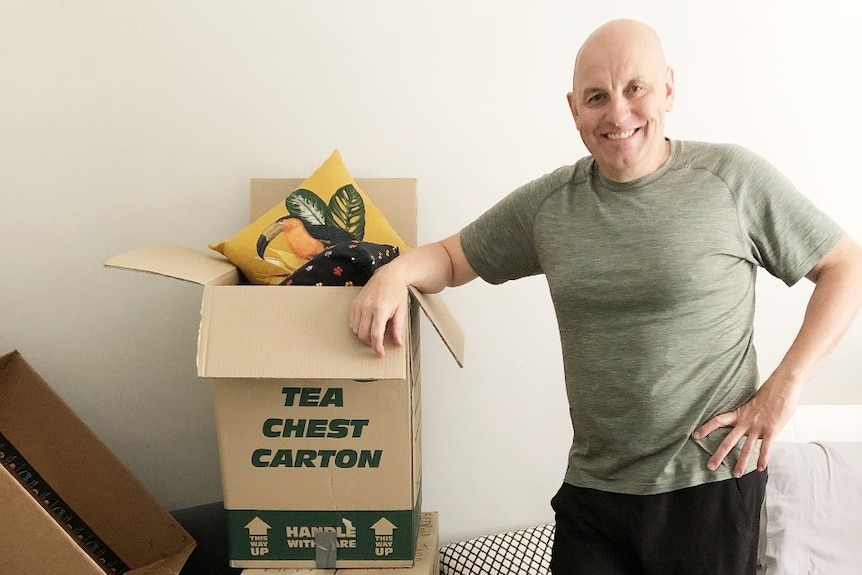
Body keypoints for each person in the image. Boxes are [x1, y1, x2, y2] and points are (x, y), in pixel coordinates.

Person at [349, 18, 862, 575]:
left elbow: (845, 265)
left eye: (634, 88)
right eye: (597, 97)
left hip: (707, 486)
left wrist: (782, 391)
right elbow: (450, 258)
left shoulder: (730, 180)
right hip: (594, 490)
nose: (617, 113)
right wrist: (393, 274)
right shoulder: (552, 205)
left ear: (668, 89)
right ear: (574, 109)